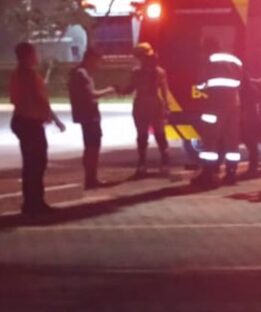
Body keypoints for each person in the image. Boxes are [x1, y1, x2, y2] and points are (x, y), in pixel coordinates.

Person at [8, 42, 66, 215]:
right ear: (27, 55)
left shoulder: (16, 75)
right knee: (37, 163)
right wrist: (56, 120)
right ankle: (35, 203)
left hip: (21, 120)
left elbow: (15, 99)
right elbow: (41, 99)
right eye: (34, 53)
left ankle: (31, 202)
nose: (37, 56)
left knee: (31, 164)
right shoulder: (30, 75)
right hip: (30, 123)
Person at [193, 37, 243, 187]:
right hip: (234, 104)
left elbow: (201, 84)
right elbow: (241, 81)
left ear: (208, 48)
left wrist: (203, 87)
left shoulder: (209, 62)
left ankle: (208, 174)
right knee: (231, 140)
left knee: (210, 140)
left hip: (214, 105)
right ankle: (231, 173)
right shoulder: (234, 60)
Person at [68, 47, 115, 189]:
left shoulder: (80, 72)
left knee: (92, 146)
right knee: (92, 147)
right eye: (97, 61)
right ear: (90, 58)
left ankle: (91, 177)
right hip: (88, 115)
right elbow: (90, 94)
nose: (98, 64)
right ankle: (90, 179)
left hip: (87, 114)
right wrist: (108, 90)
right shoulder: (82, 74)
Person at [122, 42, 171, 178]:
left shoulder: (159, 72)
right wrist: (120, 89)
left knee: (159, 134)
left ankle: (165, 161)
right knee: (142, 135)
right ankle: (142, 163)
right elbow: (131, 88)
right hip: (142, 104)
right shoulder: (137, 72)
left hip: (154, 104)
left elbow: (164, 91)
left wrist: (166, 107)